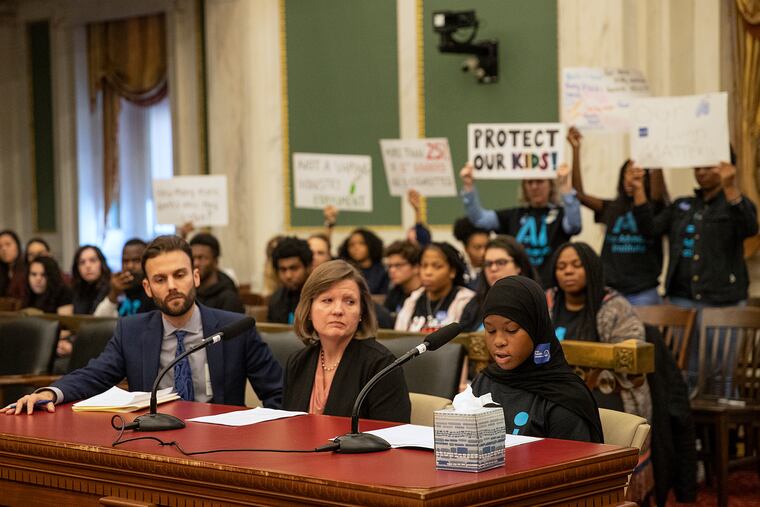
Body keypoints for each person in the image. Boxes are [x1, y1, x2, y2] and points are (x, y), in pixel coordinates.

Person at [4, 235, 283, 415]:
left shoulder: (235, 329)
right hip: (154, 443)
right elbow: (95, 375)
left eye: (180, 275)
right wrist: (49, 392)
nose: (172, 286)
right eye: (160, 279)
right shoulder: (132, 331)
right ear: (148, 288)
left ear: (196, 277)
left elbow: (278, 394)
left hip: (222, 447)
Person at [633, 159, 758, 389]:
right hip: (681, 301)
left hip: (723, 303)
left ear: (726, 166)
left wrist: (730, 187)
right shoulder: (683, 205)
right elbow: (650, 229)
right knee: (684, 374)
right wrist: (639, 190)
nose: (701, 172)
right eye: (697, 167)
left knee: (721, 376)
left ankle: (723, 414)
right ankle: (687, 414)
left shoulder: (735, 203)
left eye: (708, 167)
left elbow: (750, 227)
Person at [546, 241, 653, 502]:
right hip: (555, 392)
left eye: (576, 265)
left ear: (591, 268)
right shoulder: (547, 302)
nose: (568, 271)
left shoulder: (614, 306)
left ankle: (603, 490)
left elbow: (630, 355)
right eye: (561, 266)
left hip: (607, 390)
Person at [471, 276, 603, 442]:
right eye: (490, 330)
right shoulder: (484, 381)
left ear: (536, 329)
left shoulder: (564, 397)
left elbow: (574, 459)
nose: (499, 341)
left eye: (511, 330)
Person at [282, 259, 410, 422]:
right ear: (309, 310)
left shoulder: (381, 365)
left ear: (361, 312)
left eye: (350, 302)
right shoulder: (297, 363)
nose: (338, 311)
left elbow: (392, 433)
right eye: (327, 300)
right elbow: (289, 426)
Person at [568, 127, 668, 305]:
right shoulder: (611, 207)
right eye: (628, 172)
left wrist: (653, 149)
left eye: (638, 172)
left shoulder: (656, 206)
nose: (632, 177)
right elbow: (578, 194)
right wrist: (575, 149)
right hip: (611, 290)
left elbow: (657, 192)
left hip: (643, 291)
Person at [459, 162, 580, 288]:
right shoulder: (513, 215)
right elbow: (479, 219)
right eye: (529, 182)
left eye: (540, 181)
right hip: (518, 286)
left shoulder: (560, 214)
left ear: (551, 185)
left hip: (552, 287)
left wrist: (565, 188)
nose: (534, 187)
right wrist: (468, 186)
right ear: (524, 187)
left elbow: (574, 226)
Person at [394, 242, 475, 333]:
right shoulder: (412, 300)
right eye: (424, 266)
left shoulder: (466, 300)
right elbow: (399, 335)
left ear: (452, 271)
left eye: (437, 266)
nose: (428, 272)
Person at [460, 236, 536, 332]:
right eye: (488, 264)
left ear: (518, 266)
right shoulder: (475, 304)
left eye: (501, 262)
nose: (493, 268)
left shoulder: (533, 301)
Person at [93, 238, 155, 317]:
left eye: (136, 260)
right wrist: (114, 294)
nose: (130, 266)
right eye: (125, 261)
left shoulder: (153, 290)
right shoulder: (116, 286)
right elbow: (98, 320)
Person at [189, 233, 244, 313]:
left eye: (201, 258)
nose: (196, 263)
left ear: (215, 261)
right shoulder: (189, 293)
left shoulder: (228, 297)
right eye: (193, 258)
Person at [268, 236, 313, 324]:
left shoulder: (319, 298)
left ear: (308, 267)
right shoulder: (275, 300)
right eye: (283, 269)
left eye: (294, 268)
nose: (288, 275)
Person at [338, 228, 389, 295]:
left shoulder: (383, 271)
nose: (356, 248)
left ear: (371, 245)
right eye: (351, 244)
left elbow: (385, 297)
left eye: (362, 243)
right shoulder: (344, 270)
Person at [383, 240, 421, 323]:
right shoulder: (394, 292)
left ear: (416, 267)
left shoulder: (426, 295)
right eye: (389, 266)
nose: (392, 270)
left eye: (398, 265)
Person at [71, 245, 111, 315]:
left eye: (93, 260)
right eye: (82, 262)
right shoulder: (75, 289)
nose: (87, 266)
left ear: (101, 264)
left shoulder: (112, 288)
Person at [452, 216, 489, 289]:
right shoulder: (459, 273)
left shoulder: (494, 272)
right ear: (466, 248)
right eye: (477, 247)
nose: (483, 252)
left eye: (487, 246)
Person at [0, 229, 26, 300]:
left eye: (8, 244)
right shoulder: (2, 271)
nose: (4, 249)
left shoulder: (27, 269)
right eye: (0, 246)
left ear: (17, 246)